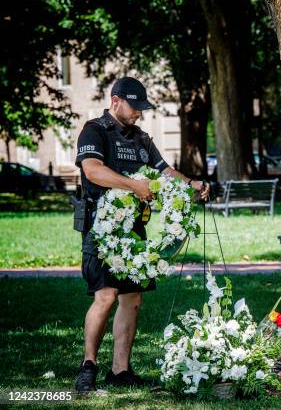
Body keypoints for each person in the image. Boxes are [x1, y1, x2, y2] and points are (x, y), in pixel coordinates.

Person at [73, 77, 209, 392]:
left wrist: (192, 186)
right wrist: (133, 184)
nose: (139, 114)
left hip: (135, 229)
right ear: (116, 100)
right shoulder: (95, 130)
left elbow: (165, 172)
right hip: (101, 228)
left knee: (132, 299)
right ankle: (89, 365)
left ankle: (120, 370)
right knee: (105, 296)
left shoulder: (142, 139)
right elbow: (92, 170)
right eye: (136, 107)